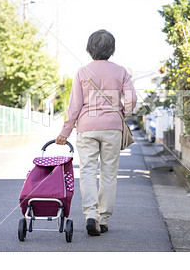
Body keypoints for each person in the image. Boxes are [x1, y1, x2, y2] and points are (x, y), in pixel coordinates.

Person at [55, 29, 137, 236]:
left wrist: (65, 131)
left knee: (88, 172)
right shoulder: (121, 72)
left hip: (87, 128)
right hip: (112, 128)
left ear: (90, 48)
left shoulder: (82, 72)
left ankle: (91, 215)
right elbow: (132, 100)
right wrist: (122, 113)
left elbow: (74, 106)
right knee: (109, 174)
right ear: (112, 49)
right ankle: (104, 218)